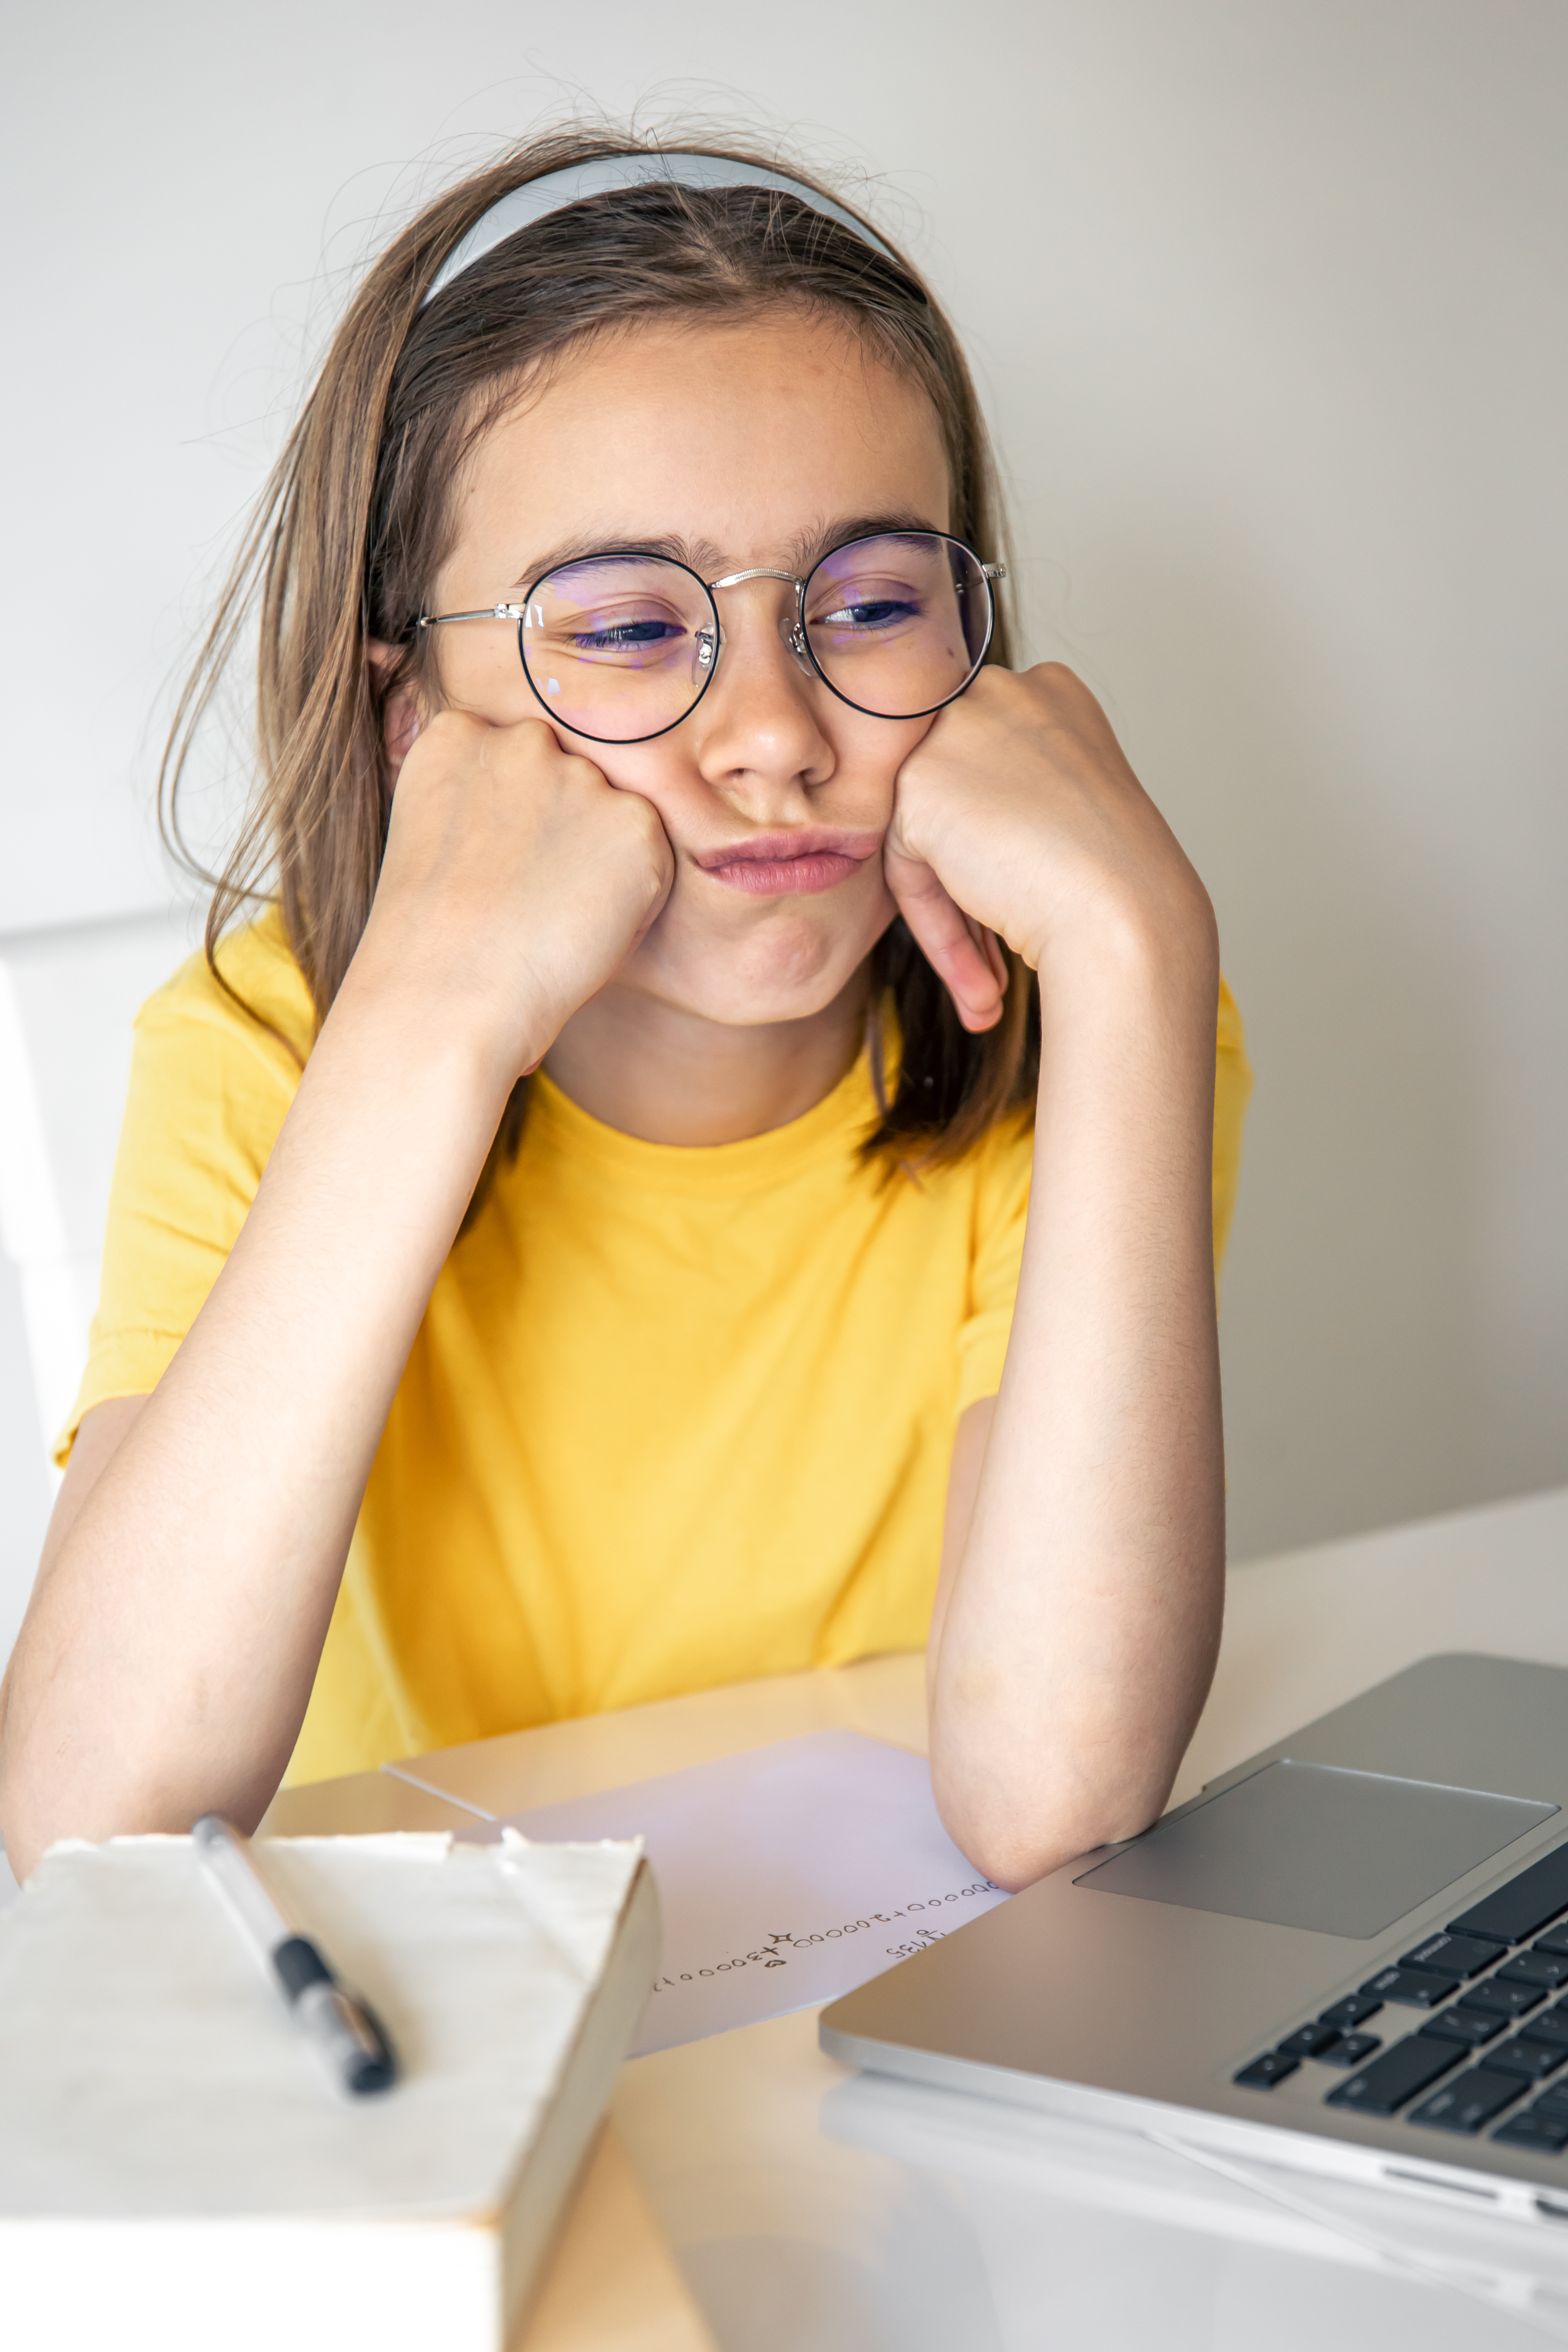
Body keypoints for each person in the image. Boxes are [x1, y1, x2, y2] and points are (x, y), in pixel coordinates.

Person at [0, 134, 1250, 1890]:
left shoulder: (1082, 1024)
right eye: (623, 627)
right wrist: (429, 1031)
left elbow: (1059, 1795)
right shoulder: (257, 1051)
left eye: (876, 603)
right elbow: (86, 1824)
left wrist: (1140, 954)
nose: (772, 733)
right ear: (409, 716)